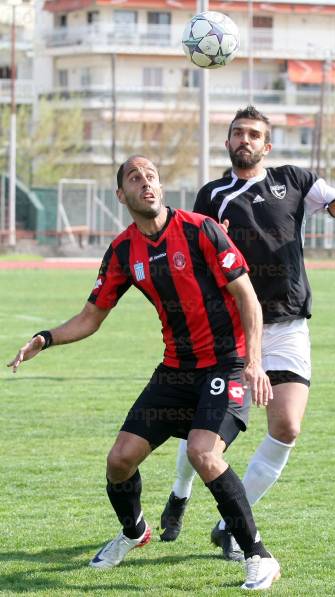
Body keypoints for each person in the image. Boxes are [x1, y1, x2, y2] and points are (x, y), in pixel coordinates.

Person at [8, 155, 282, 591]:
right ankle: (135, 531)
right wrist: (46, 338)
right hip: (175, 370)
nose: (146, 183)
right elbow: (91, 317)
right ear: (122, 195)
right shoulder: (122, 251)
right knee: (119, 461)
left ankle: (259, 556)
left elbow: (248, 296)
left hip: (226, 364)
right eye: (135, 179)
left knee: (203, 453)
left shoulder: (200, 229)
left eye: (151, 176)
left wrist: (252, 363)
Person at [159, 106, 335, 559]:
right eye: (238, 133)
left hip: (288, 325)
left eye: (254, 134)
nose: (245, 139)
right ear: (228, 141)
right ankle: (179, 493)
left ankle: (230, 526)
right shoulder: (210, 196)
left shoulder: (295, 180)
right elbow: (195, 267)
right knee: (206, 432)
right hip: (231, 329)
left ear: (267, 146)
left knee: (288, 426)